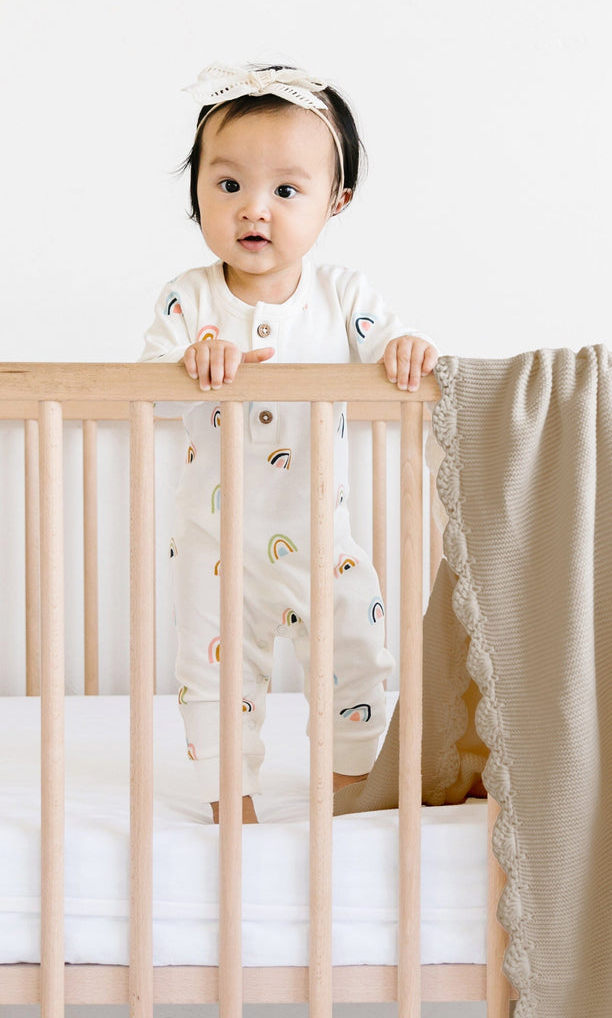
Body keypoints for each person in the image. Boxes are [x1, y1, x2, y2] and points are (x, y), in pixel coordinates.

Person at [140, 62, 437, 823]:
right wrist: (192, 360)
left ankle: (345, 802)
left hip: (320, 538)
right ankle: (230, 808)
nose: (255, 210)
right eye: (229, 184)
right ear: (198, 192)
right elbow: (141, 381)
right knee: (214, 675)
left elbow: (391, 349)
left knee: (357, 657)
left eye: (286, 190)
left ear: (335, 202)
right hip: (216, 544)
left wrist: (405, 351)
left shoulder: (344, 298)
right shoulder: (191, 298)